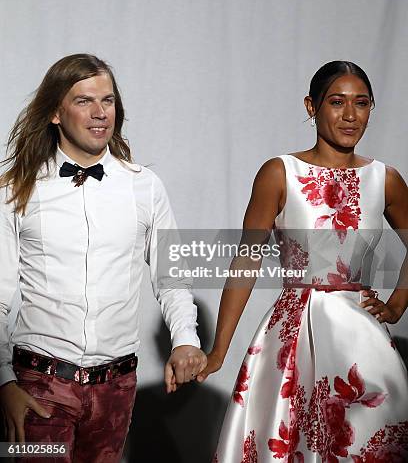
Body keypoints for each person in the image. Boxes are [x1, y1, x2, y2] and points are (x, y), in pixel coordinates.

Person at [0, 53, 207, 463]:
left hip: (115, 391)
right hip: (38, 387)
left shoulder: (144, 186)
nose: (100, 113)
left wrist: (185, 339)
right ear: (56, 113)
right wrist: (4, 381)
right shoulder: (17, 190)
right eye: (84, 101)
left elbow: (173, 276)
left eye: (108, 101)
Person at [197, 61, 408, 461]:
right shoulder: (280, 173)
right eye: (336, 102)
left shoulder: (386, 179)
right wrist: (218, 351)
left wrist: (398, 303)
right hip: (294, 335)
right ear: (312, 107)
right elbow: (246, 260)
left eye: (361, 104)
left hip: (363, 339)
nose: (350, 115)